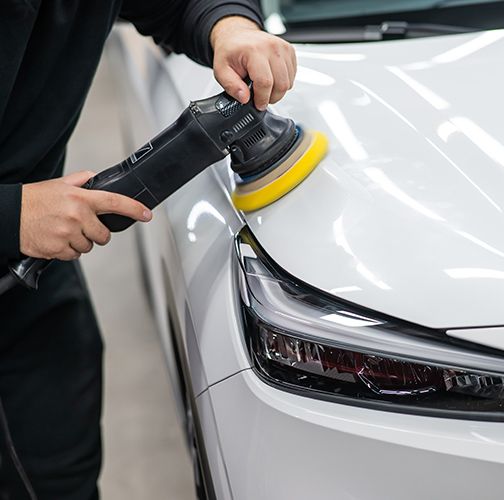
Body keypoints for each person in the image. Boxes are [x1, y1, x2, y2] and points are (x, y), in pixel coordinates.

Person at [0, 1, 295, 498]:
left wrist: (230, 26)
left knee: (57, 473)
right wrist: (14, 215)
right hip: (22, 230)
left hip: (30, 283)